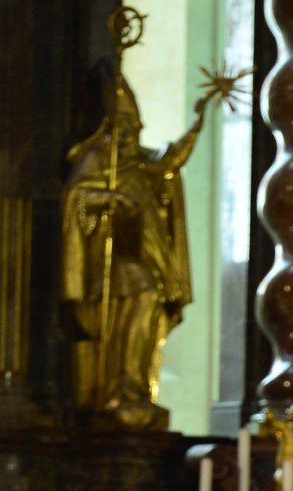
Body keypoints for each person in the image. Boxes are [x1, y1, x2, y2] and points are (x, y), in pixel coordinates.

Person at [61, 73, 205, 430]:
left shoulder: (140, 164)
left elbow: (169, 163)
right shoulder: (98, 160)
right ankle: (118, 388)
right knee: (138, 301)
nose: (131, 133)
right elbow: (76, 198)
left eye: (134, 126)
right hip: (113, 263)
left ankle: (135, 387)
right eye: (124, 125)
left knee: (149, 310)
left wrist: (198, 123)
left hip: (147, 257)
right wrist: (109, 198)